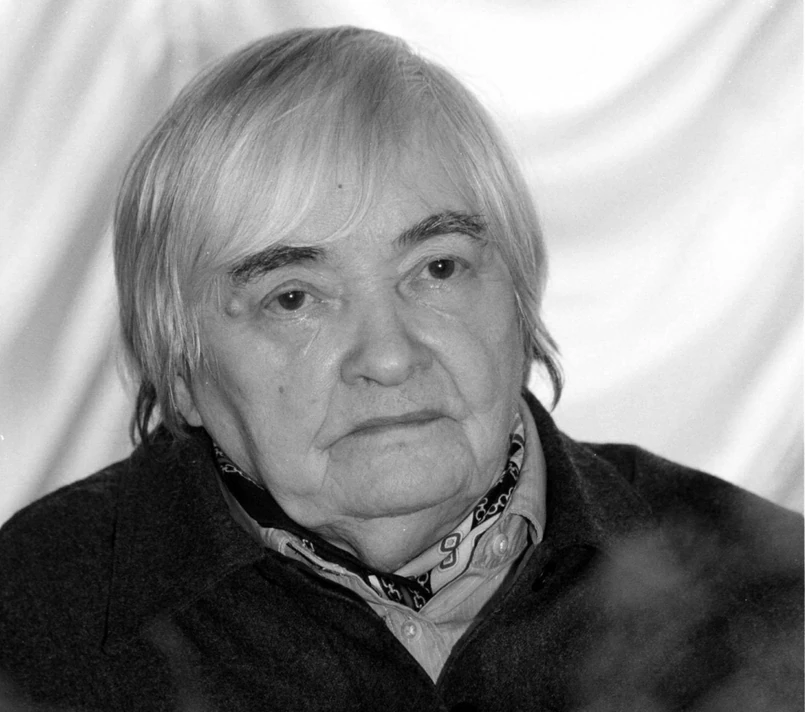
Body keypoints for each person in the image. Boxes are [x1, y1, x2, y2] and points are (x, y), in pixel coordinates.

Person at [0, 26, 801, 712]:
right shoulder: (33, 618)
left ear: (519, 300)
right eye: (292, 298)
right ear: (179, 372)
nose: (388, 357)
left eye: (438, 269)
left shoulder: (769, 596)